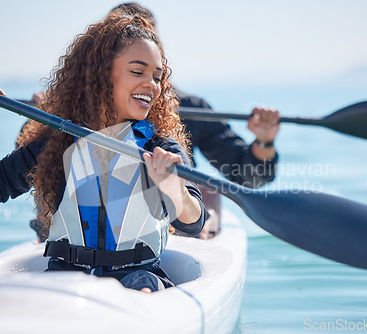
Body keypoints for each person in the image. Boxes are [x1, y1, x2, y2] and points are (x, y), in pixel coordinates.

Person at [0, 13, 207, 293]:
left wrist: (175, 191)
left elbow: (193, 222)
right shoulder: (57, 143)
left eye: (157, 76)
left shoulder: (159, 148)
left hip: (138, 281)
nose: (152, 85)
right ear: (103, 74)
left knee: (143, 288)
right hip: (65, 280)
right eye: (138, 72)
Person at [28, 2, 280, 241]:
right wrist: (40, 117)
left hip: (166, 221)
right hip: (87, 227)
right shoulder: (68, 114)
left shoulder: (190, 108)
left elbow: (249, 176)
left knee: (208, 193)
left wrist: (264, 142)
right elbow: (32, 167)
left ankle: (203, 222)